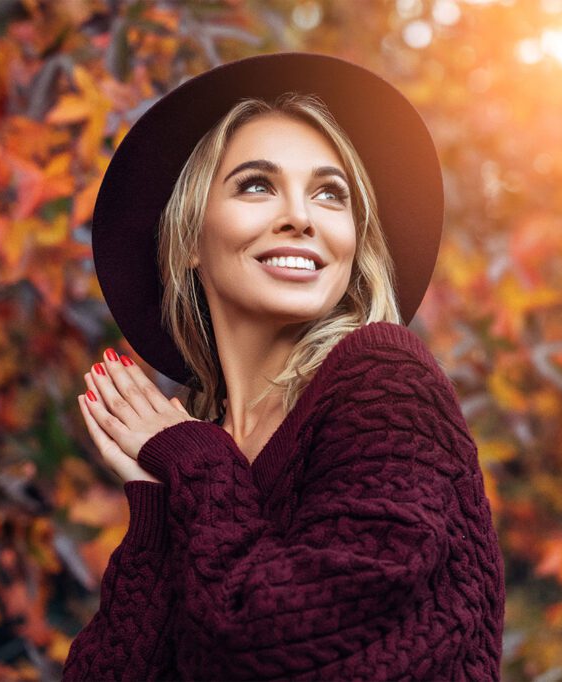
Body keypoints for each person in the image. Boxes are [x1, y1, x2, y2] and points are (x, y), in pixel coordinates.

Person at [62, 52, 505, 681]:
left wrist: (193, 461)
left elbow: (292, 643)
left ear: (354, 241)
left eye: (330, 193)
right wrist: (160, 506)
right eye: (256, 184)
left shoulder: (383, 379)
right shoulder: (201, 456)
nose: (301, 216)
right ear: (189, 238)